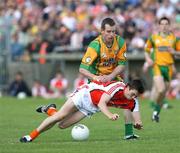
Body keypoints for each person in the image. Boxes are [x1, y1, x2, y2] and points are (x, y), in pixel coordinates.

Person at [19, 79, 145, 143]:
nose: (133, 97)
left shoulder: (132, 100)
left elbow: (135, 111)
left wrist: (138, 123)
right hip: (84, 95)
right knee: (60, 116)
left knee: (62, 125)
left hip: (90, 107)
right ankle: (31, 136)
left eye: (136, 96)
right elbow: (102, 103)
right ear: (127, 87)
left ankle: (50, 109)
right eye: (132, 93)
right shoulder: (117, 87)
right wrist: (110, 115)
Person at [79, 17, 143, 140]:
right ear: (102, 31)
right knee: (71, 116)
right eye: (108, 31)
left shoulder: (120, 42)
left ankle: (129, 133)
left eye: (114, 31)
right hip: (96, 82)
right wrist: (95, 77)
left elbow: (122, 65)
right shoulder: (95, 45)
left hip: (113, 78)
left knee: (129, 97)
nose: (112, 34)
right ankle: (52, 112)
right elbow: (82, 69)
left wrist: (110, 76)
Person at [144, 17, 180, 122]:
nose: (164, 26)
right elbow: (146, 50)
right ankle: (155, 106)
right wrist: (148, 59)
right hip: (157, 66)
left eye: (166, 24)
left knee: (163, 93)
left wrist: (175, 52)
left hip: (168, 68)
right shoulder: (154, 38)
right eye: (162, 24)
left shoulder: (174, 39)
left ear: (169, 25)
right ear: (159, 26)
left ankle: (155, 112)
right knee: (160, 89)